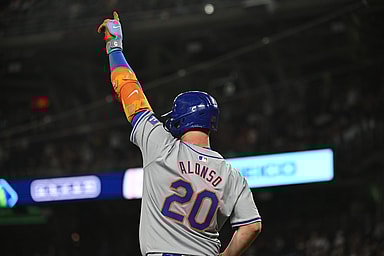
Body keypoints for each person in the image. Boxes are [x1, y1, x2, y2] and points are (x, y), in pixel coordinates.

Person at [98, 12, 262, 256]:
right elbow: (252, 226)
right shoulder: (232, 175)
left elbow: (128, 88)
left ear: (182, 119)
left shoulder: (160, 145)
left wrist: (114, 46)